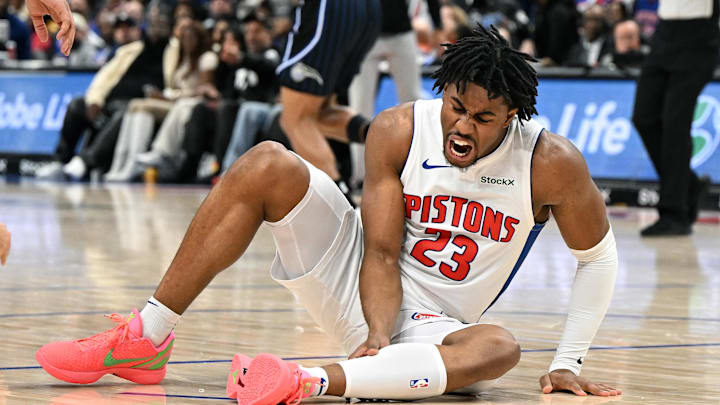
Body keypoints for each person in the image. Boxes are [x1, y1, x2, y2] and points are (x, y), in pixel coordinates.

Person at [36, 27, 621, 401]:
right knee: (269, 162)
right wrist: (375, 333)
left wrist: (568, 361)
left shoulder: (550, 164)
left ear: (514, 115)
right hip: (362, 276)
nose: (462, 126)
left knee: (501, 349)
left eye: (483, 118)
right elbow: (384, 250)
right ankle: (148, 336)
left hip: (437, 323)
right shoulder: (400, 129)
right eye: (455, 107)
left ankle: (304, 382)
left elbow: (597, 259)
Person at [274, 0, 381, 204]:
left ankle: (342, 202)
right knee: (318, 113)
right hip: (368, 11)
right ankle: (392, 141)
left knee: (295, 119)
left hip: (328, 10)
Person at [631, 0, 719, 236]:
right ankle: (688, 186)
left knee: (675, 124)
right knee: (643, 117)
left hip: (699, 33)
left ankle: (674, 213)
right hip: (665, 30)